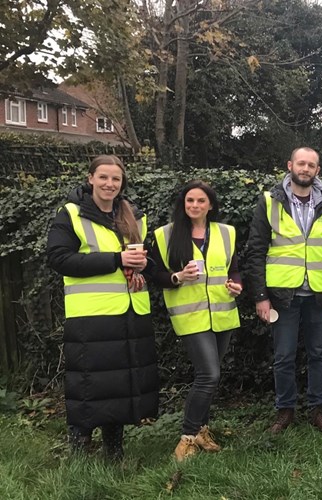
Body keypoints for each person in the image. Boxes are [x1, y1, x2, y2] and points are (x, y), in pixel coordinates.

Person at [45, 155, 158, 460]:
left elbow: (147, 260)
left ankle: (114, 448)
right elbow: (59, 258)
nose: (110, 184)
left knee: (120, 383)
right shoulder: (71, 214)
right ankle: (80, 446)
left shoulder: (133, 214)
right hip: (90, 315)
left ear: (122, 183)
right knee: (87, 382)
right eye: (104, 177)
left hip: (130, 311)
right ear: (90, 178)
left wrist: (140, 267)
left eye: (116, 179)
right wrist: (116, 260)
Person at [244, 146, 322, 434]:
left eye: (312, 165)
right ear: (290, 165)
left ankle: (317, 409)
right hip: (282, 296)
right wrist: (260, 296)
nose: (306, 169)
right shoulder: (270, 201)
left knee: (319, 353)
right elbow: (256, 251)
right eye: (301, 163)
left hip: (319, 294)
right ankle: (285, 410)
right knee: (284, 356)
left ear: (318, 170)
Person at [147, 181, 242, 461]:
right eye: (190, 201)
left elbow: (234, 269)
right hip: (190, 315)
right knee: (208, 375)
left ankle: (201, 430)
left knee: (211, 377)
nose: (195, 206)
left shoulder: (226, 233)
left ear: (210, 205)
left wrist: (237, 285)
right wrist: (178, 277)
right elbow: (156, 275)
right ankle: (187, 437)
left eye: (201, 201)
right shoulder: (165, 235)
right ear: (183, 203)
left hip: (223, 313)